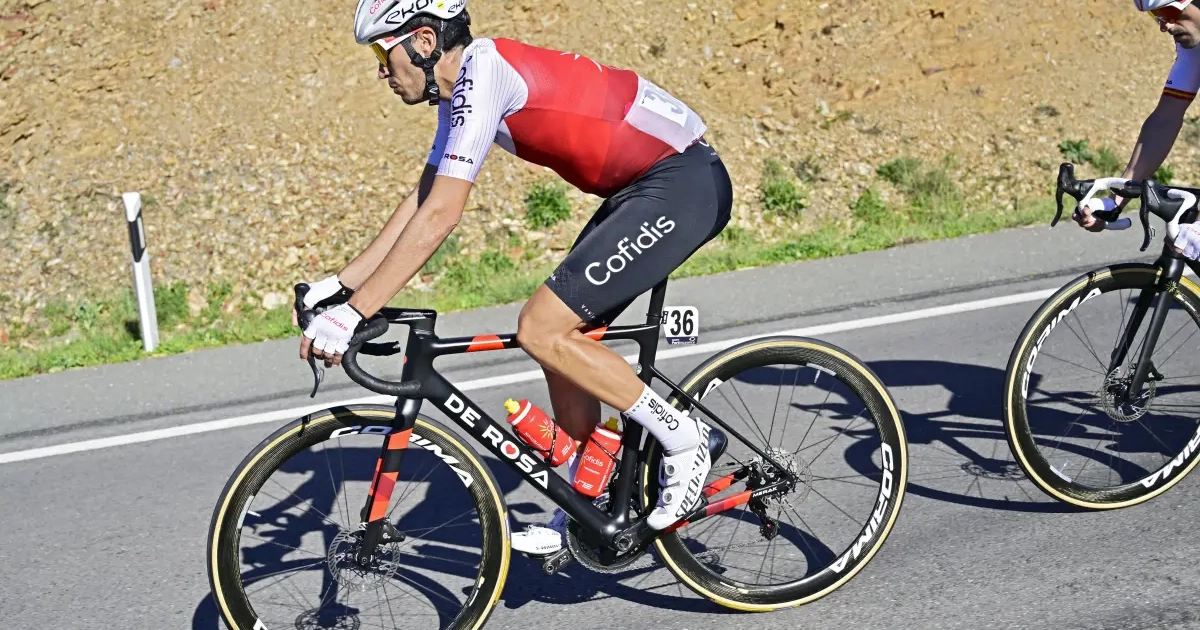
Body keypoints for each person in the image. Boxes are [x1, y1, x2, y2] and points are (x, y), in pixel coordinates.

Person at [295, 0, 733, 556]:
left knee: (541, 328)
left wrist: (354, 314)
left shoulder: (484, 74)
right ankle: (586, 499)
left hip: (681, 183)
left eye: (384, 56)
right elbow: (426, 196)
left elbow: (442, 215)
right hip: (643, 188)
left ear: (424, 42)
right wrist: (343, 286)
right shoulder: (461, 91)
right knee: (561, 345)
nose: (382, 72)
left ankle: (686, 440)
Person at [1077, 0, 1200, 254]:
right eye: (1157, 16)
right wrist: (1115, 201)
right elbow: (1165, 120)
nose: (1165, 26)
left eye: (1168, 12)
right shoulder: (1193, 48)